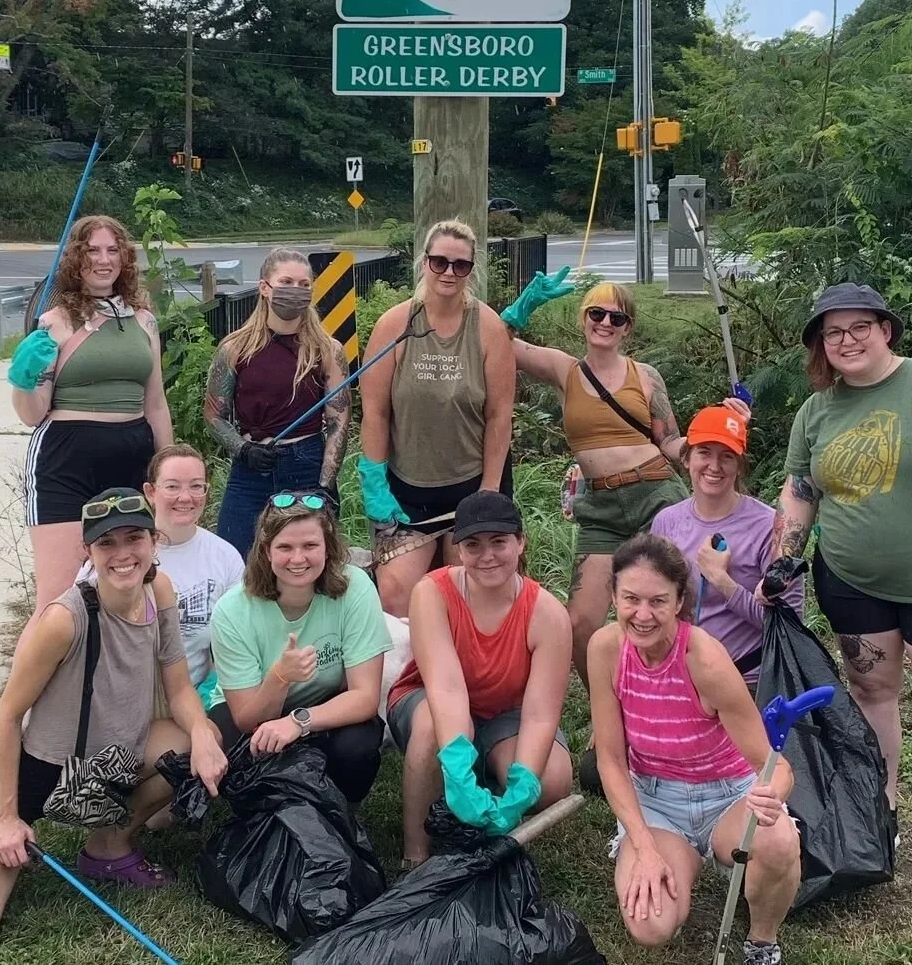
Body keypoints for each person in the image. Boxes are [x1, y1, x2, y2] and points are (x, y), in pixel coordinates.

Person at [758, 282, 912, 893]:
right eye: (833, 331)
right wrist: (784, 558)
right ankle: (881, 814)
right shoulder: (817, 409)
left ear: (885, 329)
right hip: (850, 583)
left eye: (859, 327)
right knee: (873, 697)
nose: (846, 340)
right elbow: (801, 490)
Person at [0, 489, 228, 948]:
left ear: (154, 542)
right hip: (42, 770)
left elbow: (177, 686)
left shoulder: (161, 589)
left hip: (110, 762)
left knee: (202, 737)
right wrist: (7, 818)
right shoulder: (64, 620)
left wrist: (202, 731)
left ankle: (108, 846)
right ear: (87, 552)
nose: (122, 555)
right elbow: (9, 716)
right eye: (106, 543)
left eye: (133, 538)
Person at [500, 275, 748, 687]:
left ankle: (677, 691)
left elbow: (670, 440)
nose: (605, 323)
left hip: (656, 494)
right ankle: (610, 704)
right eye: (596, 313)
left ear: (627, 327)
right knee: (580, 622)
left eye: (617, 317)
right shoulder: (566, 371)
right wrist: (519, 309)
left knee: (675, 606)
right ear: (584, 319)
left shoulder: (645, 376)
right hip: (601, 509)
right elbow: (496, 342)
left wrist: (719, 431)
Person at [589, 534, 800, 964]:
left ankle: (762, 942)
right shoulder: (605, 649)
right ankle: (681, 858)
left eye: (658, 601)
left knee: (777, 839)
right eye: (630, 598)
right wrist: (644, 847)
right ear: (612, 595)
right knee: (651, 925)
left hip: (728, 794)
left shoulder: (705, 660)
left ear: (679, 599)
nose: (642, 615)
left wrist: (771, 797)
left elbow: (776, 767)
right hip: (655, 799)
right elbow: (610, 759)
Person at [386, 491, 573, 871]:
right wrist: (456, 762)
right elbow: (447, 688)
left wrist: (523, 785)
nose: (487, 556)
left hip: (508, 712)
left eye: (499, 542)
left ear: (520, 543)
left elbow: (539, 713)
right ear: (457, 551)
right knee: (430, 730)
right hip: (432, 699)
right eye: (473, 545)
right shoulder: (431, 593)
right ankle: (415, 853)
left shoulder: (548, 614)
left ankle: (492, 801)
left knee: (552, 780)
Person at [9, 215, 173, 624]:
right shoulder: (56, 321)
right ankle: (34, 688)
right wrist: (24, 378)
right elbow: (33, 415)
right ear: (76, 258)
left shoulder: (144, 320)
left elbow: (156, 404)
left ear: (125, 258)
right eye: (92, 250)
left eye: (112, 250)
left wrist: (167, 467)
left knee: (128, 586)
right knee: (58, 598)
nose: (104, 260)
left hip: (133, 454)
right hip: (66, 459)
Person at [357, 218, 516, 617]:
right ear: (424, 262)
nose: (449, 272)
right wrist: (375, 483)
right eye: (440, 261)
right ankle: (413, 674)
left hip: (471, 480)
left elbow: (499, 416)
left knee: (469, 590)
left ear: (471, 269)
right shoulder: (395, 325)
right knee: (395, 595)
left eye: (460, 265)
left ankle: (470, 673)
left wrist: (490, 490)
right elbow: (375, 411)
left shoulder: (488, 327)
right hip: (409, 490)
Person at [210, 492, 393, 804]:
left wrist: (297, 721)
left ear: (328, 548)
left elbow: (365, 697)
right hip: (253, 705)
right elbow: (247, 719)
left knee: (359, 741)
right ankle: (267, 811)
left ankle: (339, 812)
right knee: (238, 745)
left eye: (310, 546)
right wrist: (280, 676)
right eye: (285, 547)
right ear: (266, 551)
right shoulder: (232, 610)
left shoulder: (356, 586)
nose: (298, 559)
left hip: (322, 701)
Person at [78, 444, 245, 748]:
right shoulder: (121, 555)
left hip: (190, 693)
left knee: (213, 744)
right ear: (150, 492)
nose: (186, 497)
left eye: (197, 486)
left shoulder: (226, 557)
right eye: (172, 486)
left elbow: (236, 642)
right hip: (119, 696)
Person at [205, 248, 351, 561]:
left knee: (308, 563)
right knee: (235, 559)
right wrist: (243, 450)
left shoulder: (328, 350)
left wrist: (325, 485)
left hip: (306, 464)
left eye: (304, 284)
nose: (295, 291)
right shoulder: (234, 348)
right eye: (286, 282)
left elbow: (339, 422)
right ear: (264, 287)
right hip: (250, 468)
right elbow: (215, 416)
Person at [651, 404, 804, 690]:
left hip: (751, 682)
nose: (714, 466)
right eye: (704, 452)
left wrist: (723, 582)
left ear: (739, 465)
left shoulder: (769, 527)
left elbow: (789, 627)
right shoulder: (666, 523)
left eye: (727, 456)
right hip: (682, 678)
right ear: (686, 459)